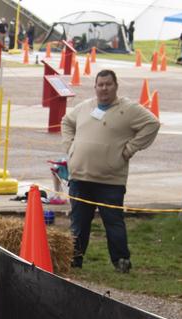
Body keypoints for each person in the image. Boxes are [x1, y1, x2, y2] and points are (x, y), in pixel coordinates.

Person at [61, 69, 160, 272]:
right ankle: (75, 258)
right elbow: (66, 122)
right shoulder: (85, 107)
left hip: (110, 180)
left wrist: (130, 149)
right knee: (78, 222)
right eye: (100, 85)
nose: (104, 88)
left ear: (116, 86)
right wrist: (70, 147)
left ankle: (121, 260)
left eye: (108, 84)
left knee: (113, 223)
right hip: (81, 177)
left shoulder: (128, 109)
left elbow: (152, 124)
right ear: (95, 87)